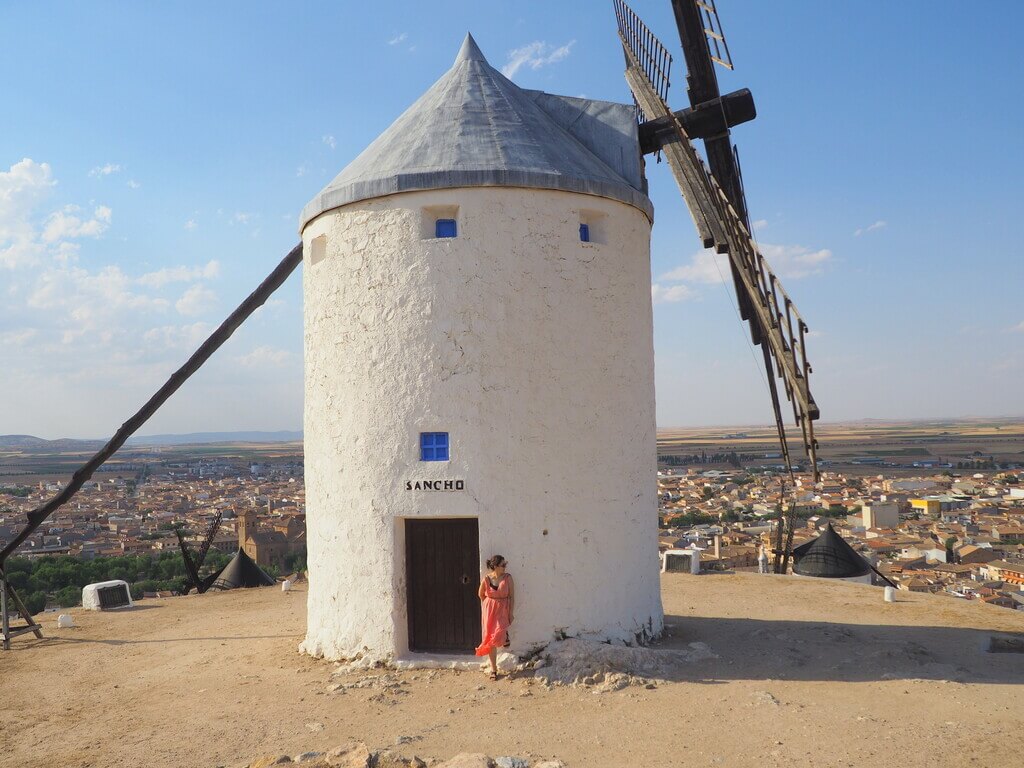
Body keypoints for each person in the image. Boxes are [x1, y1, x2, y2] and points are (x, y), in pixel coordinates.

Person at [475, 554, 514, 680]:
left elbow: (512, 596)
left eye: (505, 564)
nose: (505, 567)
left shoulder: (508, 578)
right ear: (495, 566)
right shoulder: (487, 579)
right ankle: (493, 669)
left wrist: (511, 612)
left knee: (499, 631)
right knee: (490, 638)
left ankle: (504, 635)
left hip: (503, 608)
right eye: (503, 565)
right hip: (490, 610)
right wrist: (489, 604)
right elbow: (480, 594)